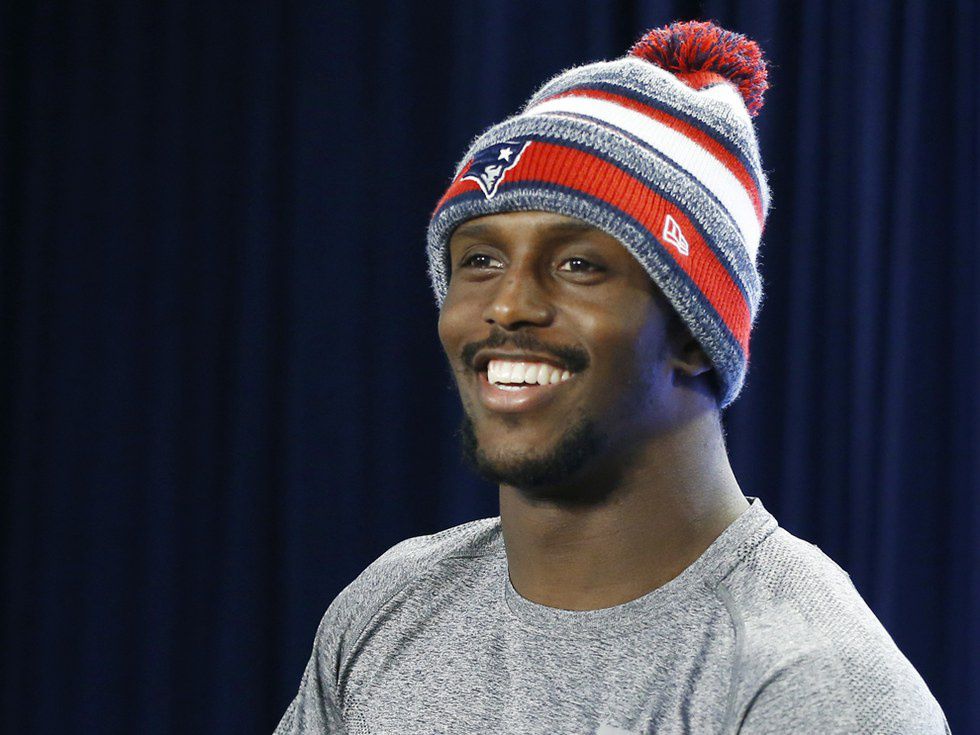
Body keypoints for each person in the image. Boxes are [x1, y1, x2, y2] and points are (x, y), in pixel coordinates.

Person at [274, 19, 950, 734]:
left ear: (694, 330)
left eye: (579, 265)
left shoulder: (812, 683)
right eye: (480, 261)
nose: (507, 303)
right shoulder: (390, 605)